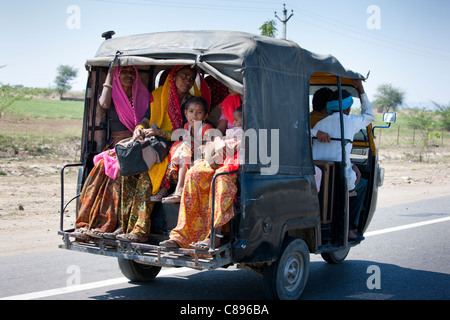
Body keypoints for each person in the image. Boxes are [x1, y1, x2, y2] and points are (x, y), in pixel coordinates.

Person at [110, 65, 211, 242]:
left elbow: (190, 131)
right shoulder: (158, 95)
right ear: (173, 76)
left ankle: (139, 230)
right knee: (127, 173)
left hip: (174, 142)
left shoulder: (193, 102)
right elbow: (147, 120)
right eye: (184, 76)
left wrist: (160, 134)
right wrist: (139, 129)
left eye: (191, 77)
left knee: (146, 177)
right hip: (157, 140)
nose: (187, 80)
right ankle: (123, 225)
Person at [75, 65, 150, 238]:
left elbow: (147, 120)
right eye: (124, 72)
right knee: (99, 172)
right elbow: (104, 103)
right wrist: (110, 72)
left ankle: (108, 225)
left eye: (132, 72)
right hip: (115, 144)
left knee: (118, 174)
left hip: (136, 143)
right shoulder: (112, 94)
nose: (129, 75)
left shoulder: (143, 95)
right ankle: (86, 222)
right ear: (117, 74)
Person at [159, 107, 242, 250]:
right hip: (223, 158)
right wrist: (218, 145)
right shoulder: (232, 123)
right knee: (194, 173)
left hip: (240, 165)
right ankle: (181, 235)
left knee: (220, 179)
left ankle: (214, 237)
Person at [312, 79, 375, 242]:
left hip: (318, 174)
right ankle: (350, 228)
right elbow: (369, 115)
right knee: (363, 185)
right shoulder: (351, 121)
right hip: (339, 177)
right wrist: (360, 89)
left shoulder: (319, 124)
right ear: (347, 108)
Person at [161, 96, 214, 203]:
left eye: (199, 112)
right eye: (191, 111)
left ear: (205, 116)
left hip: (201, 156)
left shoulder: (207, 128)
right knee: (178, 146)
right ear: (185, 113)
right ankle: (165, 187)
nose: (194, 115)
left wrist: (191, 140)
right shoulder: (186, 126)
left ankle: (179, 188)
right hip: (188, 156)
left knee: (184, 147)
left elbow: (209, 144)